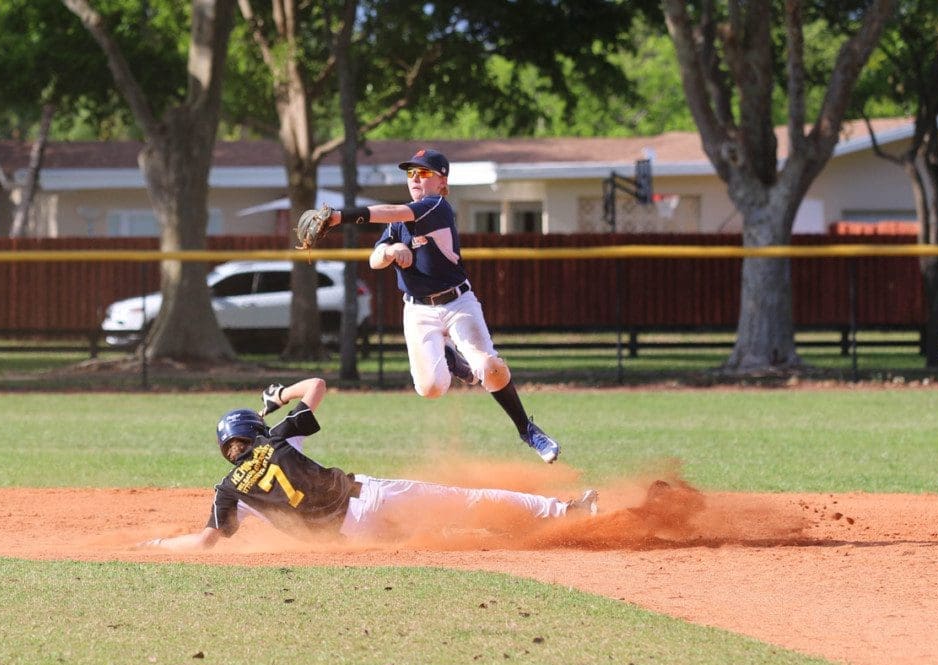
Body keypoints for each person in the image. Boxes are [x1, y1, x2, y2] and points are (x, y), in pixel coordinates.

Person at [137, 378, 597, 551]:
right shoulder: (275, 438)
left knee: (439, 535)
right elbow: (316, 384)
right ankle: (563, 515)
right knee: (462, 501)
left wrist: (157, 544)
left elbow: (204, 543)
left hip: (350, 536)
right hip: (367, 495)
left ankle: (523, 533)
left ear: (225, 449)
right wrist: (277, 398)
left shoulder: (228, 490)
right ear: (253, 431)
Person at [322, 148, 561, 463]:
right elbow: (374, 258)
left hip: (458, 302)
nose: (416, 178)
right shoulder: (399, 225)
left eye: (423, 173)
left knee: (488, 367)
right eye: (411, 173)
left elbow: (392, 213)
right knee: (431, 388)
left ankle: (527, 429)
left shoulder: (436, 207)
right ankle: (450, 358)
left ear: (442, 182)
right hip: (418, 311)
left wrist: (340, 217)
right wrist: (392, 250)